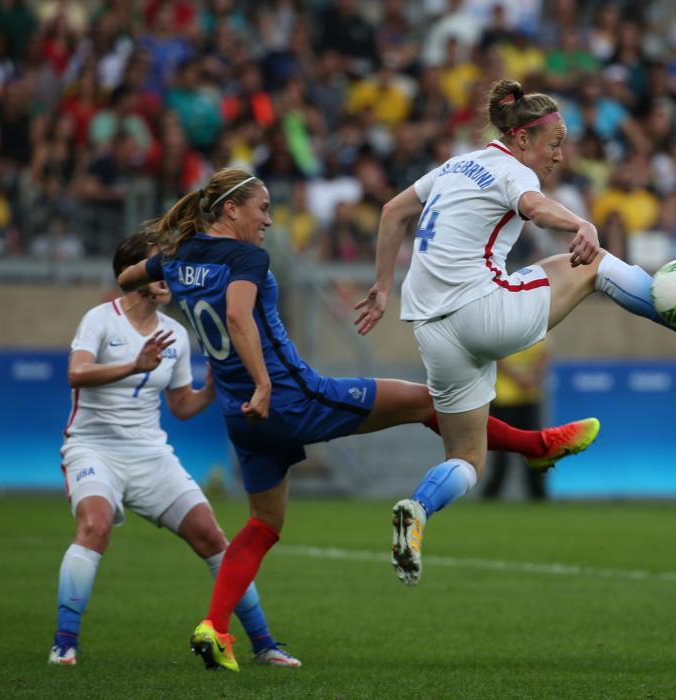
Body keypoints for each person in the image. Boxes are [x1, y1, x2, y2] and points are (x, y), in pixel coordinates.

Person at [116, 167, 601, 672]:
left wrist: (159, 292)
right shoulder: (245, 257)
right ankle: (537, 445)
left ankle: (214, 627)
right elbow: (238, 317)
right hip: (292, 397)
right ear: (231, 210)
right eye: (261, 209)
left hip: (244, 417)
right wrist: (262, 381)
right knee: (430, 401)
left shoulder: (178, 258)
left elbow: (129, 277)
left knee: (263, 524)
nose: (268, 220)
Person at [354, 79, 676, 587]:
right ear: (521, 139)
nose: (560, 157)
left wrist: (383, 286)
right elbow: (536, 208)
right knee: (592, 265)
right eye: (554, 144)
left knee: (466, 457)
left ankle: (417, 510)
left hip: (432, 331)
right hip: (483, 312)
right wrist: (581, 224)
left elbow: (393, 212)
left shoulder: (456, 165)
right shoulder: (508, 169)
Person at [51, 231, 300, 668]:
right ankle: (64, 644)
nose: (167, 274)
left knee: (213, 537)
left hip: (151, 455)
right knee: (95, 526)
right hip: (93, 449)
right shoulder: (101, 319)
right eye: (156, 264)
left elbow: (182, 406)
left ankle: (264, 644)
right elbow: (76, 374)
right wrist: (134, 364)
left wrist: (214, 385)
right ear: (132, 272)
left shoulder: (176, 334)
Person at [483, 341, 549, 501]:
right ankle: (491, 495)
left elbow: (545, 353)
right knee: (501, 453)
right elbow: (495, 358)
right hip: (504, 399)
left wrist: (532, 376)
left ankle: (538, 496)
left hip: (529, 398)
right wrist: (521, 378)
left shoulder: (538, 325)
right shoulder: (501, 328)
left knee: (535, 448)